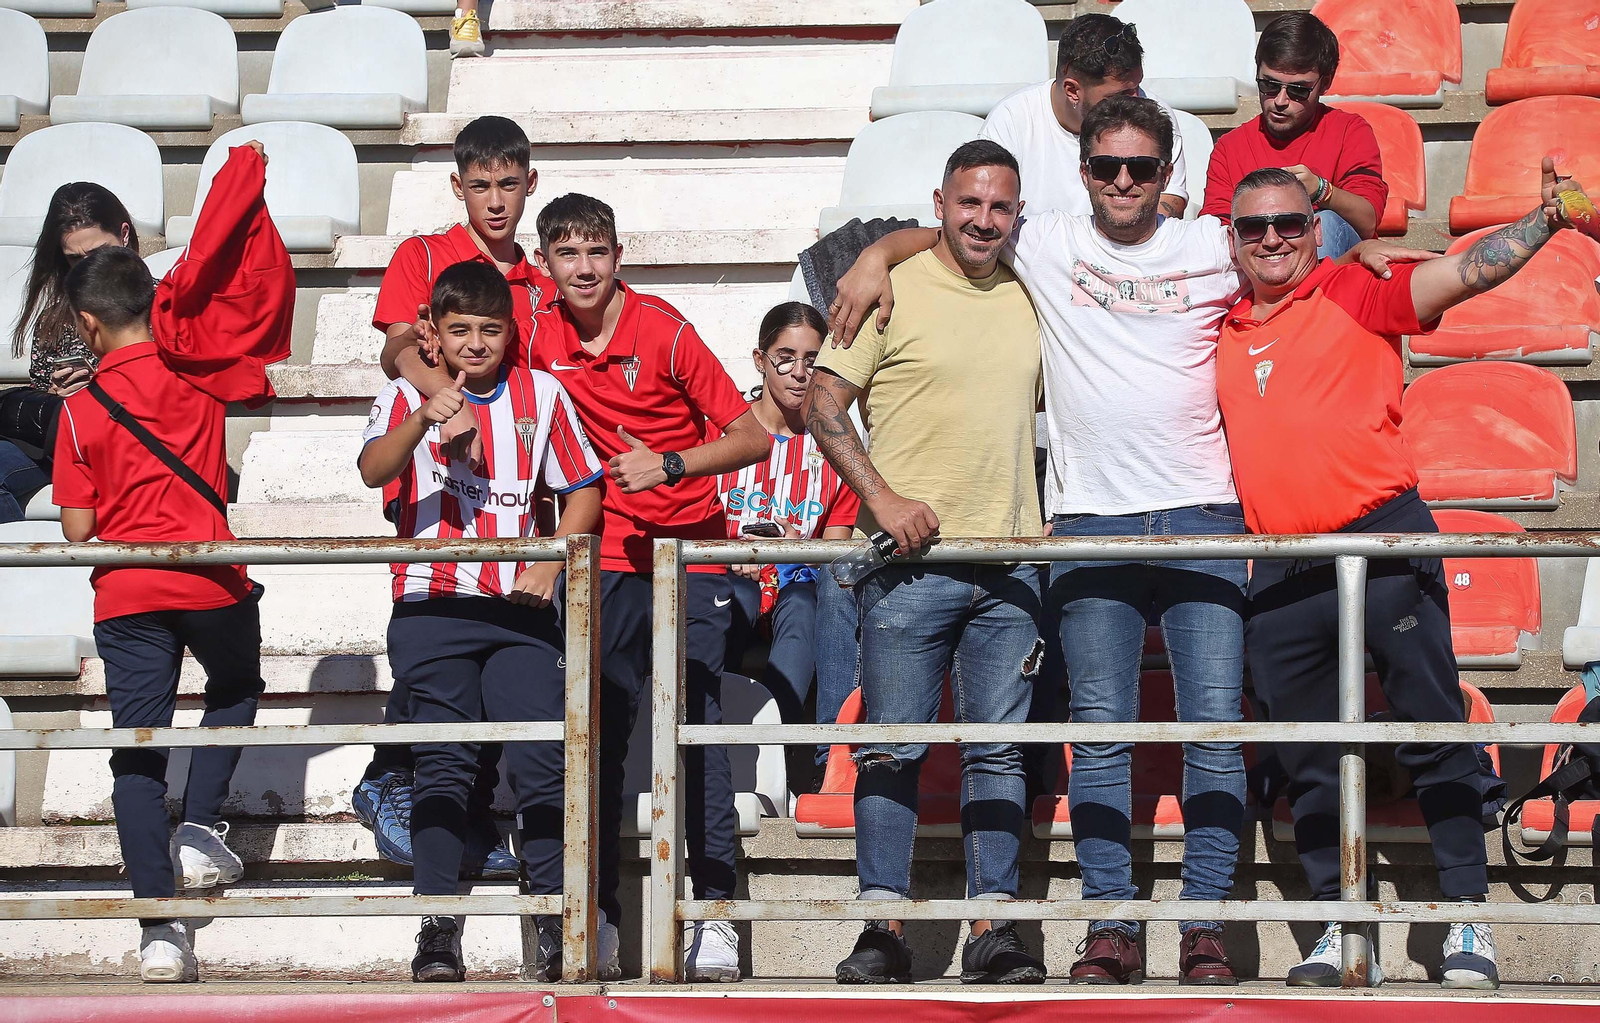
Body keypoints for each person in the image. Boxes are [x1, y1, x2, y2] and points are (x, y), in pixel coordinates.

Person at [826, 95, 1425, 986]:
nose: (1122, 183)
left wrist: (1360, 246)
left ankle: (1206, 924)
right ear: (1083, 172)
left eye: (1141, 168)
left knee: (1215, 729)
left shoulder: (1213, 247)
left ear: (1167, 174)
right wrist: (876, 251)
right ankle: (1110, 922)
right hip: (1088, 523)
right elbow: (955, 231)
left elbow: (1292, 257)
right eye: (1106, 166)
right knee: (1099, 732)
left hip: (1204, 518)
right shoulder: (1045, 238)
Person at [1215, 161, 1588, 990]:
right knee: (1309, 755)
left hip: (1381, 541)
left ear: (1317, 229)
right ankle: (1339, 928)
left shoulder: (1355, 290)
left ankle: (1466, 915)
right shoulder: (1223, 325)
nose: (1271, 238)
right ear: (1232, 240)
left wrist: (1546, 219)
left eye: (1288, 223)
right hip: (1281, 567)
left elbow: (1464, 271)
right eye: (1252, 227)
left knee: (1434, 729)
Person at [804, 139, 1048, 986]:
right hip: (911, 565)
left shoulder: (1033, 287)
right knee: (889, 750)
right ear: (938, 201)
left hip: (1014, 563)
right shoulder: (893, 287)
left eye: (1001, 207)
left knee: (997, 753)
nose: (985, 220)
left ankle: (993, 928)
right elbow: (822, 400)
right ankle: (883, 927)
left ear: (1020, 213)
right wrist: (878, 498)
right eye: (970, 203)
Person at [50, 141, 293, 983]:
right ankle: (202, 822)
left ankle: (160, 929)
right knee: (235, 686)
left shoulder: (76, 409)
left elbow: (79, 531)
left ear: (86, 323)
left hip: (125, 593)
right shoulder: (199, 378)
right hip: (211, 577)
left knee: (135, 753)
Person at [359, 261, 604, 984]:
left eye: (489, 330)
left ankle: (552, 918)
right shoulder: (407, 391)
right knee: (444, 764)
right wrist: (420, 420)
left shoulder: (542, 393)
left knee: (540, 760)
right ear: (431, 332)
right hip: (432, 607)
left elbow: (584, 493)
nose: (474, 343)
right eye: (459, 329)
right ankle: (438, 928)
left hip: (520, 609)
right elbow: (374, 470)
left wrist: (552, 563)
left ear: (509, 333)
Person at [357, 114, 552, 878]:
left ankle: (461, 820)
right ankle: (391, 775)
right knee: (435, 641)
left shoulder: (535, 280)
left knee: (506, 666)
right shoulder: (425, 254)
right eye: (481, 185)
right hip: (436, 485)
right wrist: (450, 405)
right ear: (457, 185)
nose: (496, 201)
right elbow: (397, 347)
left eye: (509, 184)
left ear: (529, 184)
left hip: (511, 499)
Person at [716, 301, 860, 794]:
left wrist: (798, 548)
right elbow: (692, 517)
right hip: (730, 578)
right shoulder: (724, 431)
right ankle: (715, 762)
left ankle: (775, 755)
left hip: (798, 584)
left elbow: (837, 552)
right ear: (759, 359)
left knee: (806, 608)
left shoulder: (836, 443)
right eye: (785, 357)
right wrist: (735, 553)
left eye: (812, 360)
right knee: (725, 604)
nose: (799, 374)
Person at [1201, 12, 1387, 258]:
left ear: (1326, 82)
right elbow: (1216, 233)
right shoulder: (1230, 147)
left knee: (1325, 225)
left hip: (1336, 273)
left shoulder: (1349, 131)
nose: (1280, 101)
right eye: (1269, 85)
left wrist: (1322, 191)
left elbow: (1368, 221)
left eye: (1298, 90)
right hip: (1258, 271)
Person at [0, 183, 131, 522]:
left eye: (99, 253)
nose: (89, 268)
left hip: (122, 438)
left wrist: (100, 384)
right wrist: (54, 391)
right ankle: (17, 571)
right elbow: (41, 384)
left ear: (125, 235)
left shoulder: (161, 303)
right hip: (60, 439)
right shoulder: (56, 314)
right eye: (76, 259)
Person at [980, 13, 1189, 218]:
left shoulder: (1155, 113)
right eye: (1121, 94)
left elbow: (1170, 201)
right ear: (1072, 90)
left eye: (1138, 86)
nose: (1136, 101)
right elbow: (986, 210)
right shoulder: (1011, 119)